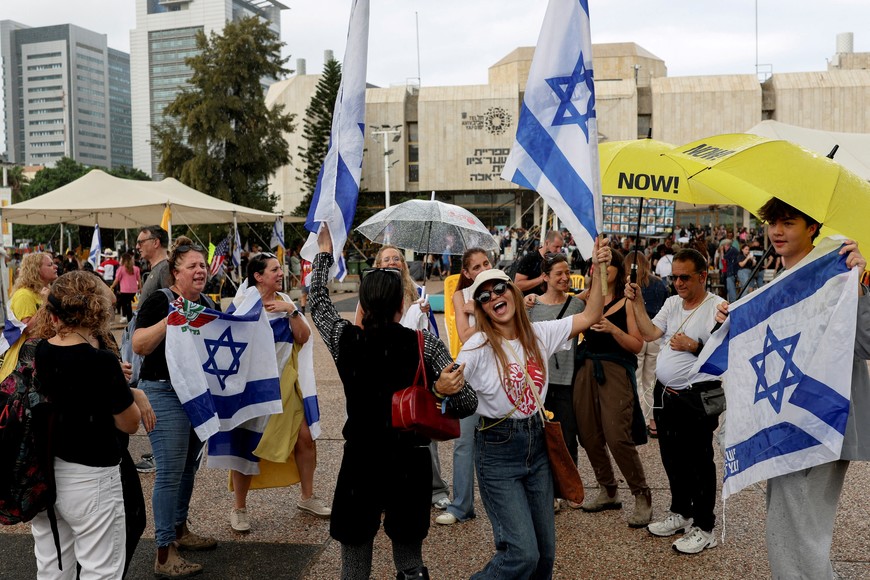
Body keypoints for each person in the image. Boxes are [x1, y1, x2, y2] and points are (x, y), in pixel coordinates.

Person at [310, 225, 478, 580]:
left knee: (354, 560)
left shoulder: (346, 339)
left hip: (361, 459)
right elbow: (466, 402)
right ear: (401, 305)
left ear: (364, 304)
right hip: (409, 461)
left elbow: (319, 305)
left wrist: (324, 254)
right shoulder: (423, 344)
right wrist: (439, 393)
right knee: (409, 557)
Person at [717, 198, 869, 578]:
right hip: (781, 419)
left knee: (802, 539)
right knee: (787, 530)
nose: (777, 231)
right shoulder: (777, 283)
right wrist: (733, 320)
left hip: (822, 418)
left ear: (812, 227)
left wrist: (858, 285)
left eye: (788, 222)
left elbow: (864, 341)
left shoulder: (838, 272)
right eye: (773, 223)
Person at [457, 239, 610, 579]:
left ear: (511, 291)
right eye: (484, 296)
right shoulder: (477, 346)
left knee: (544, 557)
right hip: (497, 449)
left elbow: (590, 315)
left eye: (499, 289)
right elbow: (449, 390)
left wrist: (597, 273)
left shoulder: (539, 334)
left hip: (538, 446)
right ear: (481, 308)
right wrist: (444, 387)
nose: (494, 297)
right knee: (521, 554)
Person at [29, 271, 142, 578]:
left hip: (47, 472)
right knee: (100, 570)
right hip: (91, 476)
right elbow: (130, 423)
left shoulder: (40, 351)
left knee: (53, 568)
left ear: (52, 315)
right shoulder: (102, 362)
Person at [625, 248, 725, 554]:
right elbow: (649, 332)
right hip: (667, 395)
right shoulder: (671, 303)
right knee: (672, 457)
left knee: (699, 461)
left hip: (699, 396)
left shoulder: (717, 307)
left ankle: (705, 526)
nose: (678, 283)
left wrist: (694, 346)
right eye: (674, 277)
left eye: (685, 277)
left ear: (702, 276)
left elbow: (724, 356)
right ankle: (682, 512)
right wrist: (636, 300)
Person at [226, 252, 330, 533]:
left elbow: (303, 337)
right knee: (246, 445)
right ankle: (239, 508)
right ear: (258, 276)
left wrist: (290, 311)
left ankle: (307, 497)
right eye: (274, 269)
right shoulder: (241, 305)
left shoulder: (286, 301)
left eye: (279, 269)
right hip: (253, 388)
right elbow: (227, 343)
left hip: (285, 382)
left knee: (305, 438)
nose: (280, 273)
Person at [133, 237, 218, 577]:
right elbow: (139, 345)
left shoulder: (208, 302)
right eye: (192, 266)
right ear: (175, 273)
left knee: (187, 468)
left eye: (202, 266)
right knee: (168, 472)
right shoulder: (161, 300)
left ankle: (180, 531)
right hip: (163, 392)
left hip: (195, 394)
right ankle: (164, 554)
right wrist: (170, 320)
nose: (200, 271)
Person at [354, 245, 448, 510]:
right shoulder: (369, 294)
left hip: (415, 368)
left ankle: (436, 487)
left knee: (423, 424)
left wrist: (424, 314)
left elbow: (430, 336)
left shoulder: (418, 293)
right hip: (382, 369)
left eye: (397, 258)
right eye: (387, 259)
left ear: (404, 265)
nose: (393, 261)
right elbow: (359, 331)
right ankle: (388, 487)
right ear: (378, 264)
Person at [573, 250, 651, 527]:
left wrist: (613, 330)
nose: (603, 269)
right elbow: (560, 307)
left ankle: (641, 495)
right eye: (598, 265)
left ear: (619, 269)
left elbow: (638, 345)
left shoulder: (627, 302)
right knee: (589, 434)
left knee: (618, 435)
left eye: (609, 265)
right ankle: (608, 490)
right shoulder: (586, 299)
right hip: (585, 371)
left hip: (616, 371)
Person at [437, 248, 493, 526]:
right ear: (467, 273)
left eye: (487, 263)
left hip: (500, 374)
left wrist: (482, 310)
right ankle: (461, 506)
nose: (483, 268)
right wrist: (485, 313)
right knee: (463, 443)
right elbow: (465, 334)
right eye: (477, 266)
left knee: (503, 442)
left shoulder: (502, 289)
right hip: (470, 375)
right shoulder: (461, 295)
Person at [526, 253, 585, 496]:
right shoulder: (531, 306)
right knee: (538, 439)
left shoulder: (576, 305)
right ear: (545, 277)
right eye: (558, 273)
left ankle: (566, 489)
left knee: (567, 437)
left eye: (566, 272)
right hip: (538, 383)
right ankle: (545, 489)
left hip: (566, 381)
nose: (564, 277)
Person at [624, 252, 669, 437]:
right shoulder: (659, 284)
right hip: (655, 332)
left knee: (634, 380)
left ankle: (637, 421)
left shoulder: (628, 285)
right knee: (652, 381)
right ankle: (653, 423)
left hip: (635, 332)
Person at [0, 252, 58, 381]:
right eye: (50, 264)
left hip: (39, 356)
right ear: (36, 269)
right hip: (24, 363)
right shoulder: (24, 295)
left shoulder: (42, 293)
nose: (55, 267)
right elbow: (28, 329)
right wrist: (46, 304)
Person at [514, 230, 564, 296]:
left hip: (551, 303)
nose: (559, 251)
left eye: (560, 247)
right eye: (556, 247)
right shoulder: (530, 258)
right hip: (531, 303)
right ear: (547, 243)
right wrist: (540, 279)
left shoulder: (558, 260)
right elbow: (517, 286)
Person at [136, 225, 170, 304]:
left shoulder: (165, 268)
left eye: (140, 242)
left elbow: (172, 306)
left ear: (155, 242)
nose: (137, 246)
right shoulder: (161, 268)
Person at [111, 252, 141, 322]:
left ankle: (127, 318)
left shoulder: (120, 269)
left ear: (123, 260)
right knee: (131, 304)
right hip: (134, 290)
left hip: (124, 290)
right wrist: (140, 288)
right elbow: (139, 280)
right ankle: (131, 318)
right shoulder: (136, 268)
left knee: (125, 304)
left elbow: (117, 279)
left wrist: (112, 286)